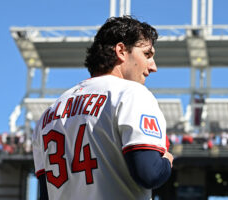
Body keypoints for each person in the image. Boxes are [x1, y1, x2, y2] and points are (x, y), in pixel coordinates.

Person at [32, 15, 174, 200]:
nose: (153, 66)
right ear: (121, 50)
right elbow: (149, 173)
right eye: (147, 54)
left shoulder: (48, 114)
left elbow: (45, 195)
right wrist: (167, 160)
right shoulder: (132, 93)